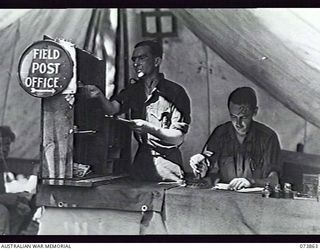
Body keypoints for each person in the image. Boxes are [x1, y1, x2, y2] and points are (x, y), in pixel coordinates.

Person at [78, 40, 191, 182]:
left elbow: (178, 137)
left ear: (156, 61)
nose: (136, 63)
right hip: (141, 162)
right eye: (134, 59)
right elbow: (112, 109)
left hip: (168, 165)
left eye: (142, 58)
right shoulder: (133, 90)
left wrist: (149, 128)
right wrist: (99, 95)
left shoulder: (175, 92)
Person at [190, 87, 281, 190]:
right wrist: (201, 167)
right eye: (233, 116)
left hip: (256, 201)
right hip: (223, 198)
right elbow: (208, 171)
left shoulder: (268, 137)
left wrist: (250, 182)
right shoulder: (220, 134)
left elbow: (274, 181)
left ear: (254, 112)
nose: (238, 124)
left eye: (243, 117)